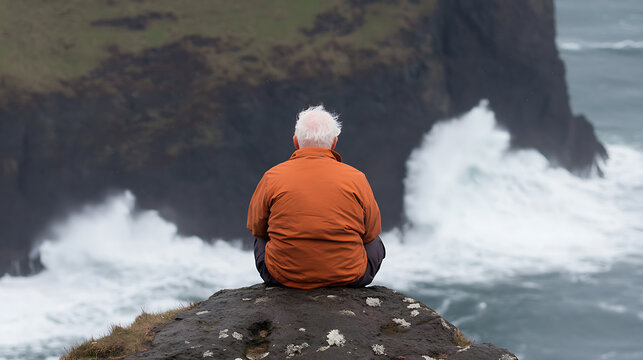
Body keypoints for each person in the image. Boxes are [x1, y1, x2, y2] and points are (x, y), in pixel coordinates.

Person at [247, 105, 385, 289]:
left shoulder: (272, 177)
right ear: (334, 143)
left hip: (283, 276)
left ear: (296, 142)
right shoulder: (356, 178)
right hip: (348, 277)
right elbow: (371, 232)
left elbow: (256, 228)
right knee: (376, 242)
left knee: (261, 238)